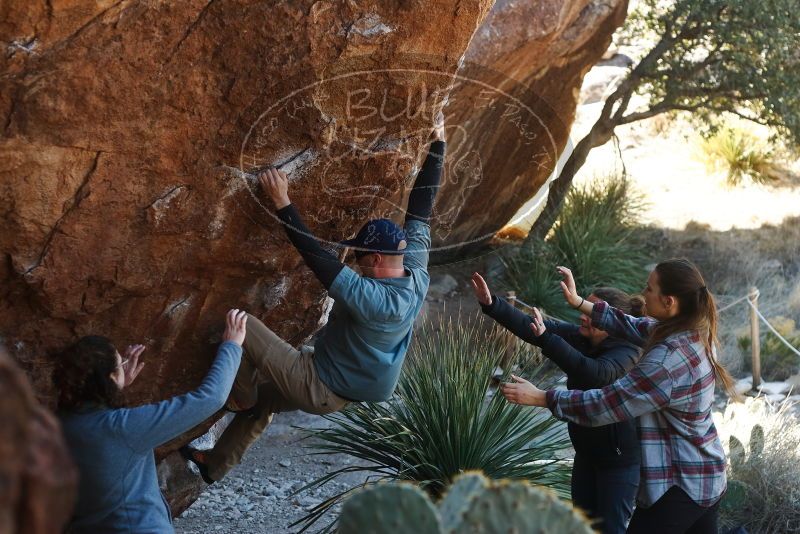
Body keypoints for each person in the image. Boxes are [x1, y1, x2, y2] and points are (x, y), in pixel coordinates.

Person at [182, 116, 447, 483]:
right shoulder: (414, 266)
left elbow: (317, 260)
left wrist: (283, 203)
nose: (356, 264)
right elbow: (421, 207)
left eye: (359, 259)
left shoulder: (376, 301)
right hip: (342, 383)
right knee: (265, 403)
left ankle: (238, 395)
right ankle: (214, 465)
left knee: (239, 322)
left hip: (319, 385)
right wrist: (438, 147)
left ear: (374, 260)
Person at [502, 260, 738, 534]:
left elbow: (606, 404)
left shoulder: (666, 363)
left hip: (681, 485)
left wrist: (543, 398)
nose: (643, 292)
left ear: (669, 302)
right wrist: (580, 303)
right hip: (706, 474)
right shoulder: (692, 331)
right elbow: (632, 325)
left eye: (650, 288)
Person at [471, 272, 643, 534]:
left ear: (613, 321)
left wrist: (546, 340)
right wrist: (492, 304)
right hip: (586, 456)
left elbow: (595, 373)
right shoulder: (583, 336)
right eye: (586, 308)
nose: (583, 316)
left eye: (592, 314)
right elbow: (532, 326)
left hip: (618, 463)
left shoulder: (627, 351)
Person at [57, 309, 247, 533]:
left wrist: (116, 385)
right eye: (120, 363)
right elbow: (210, 398)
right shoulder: (124, 429)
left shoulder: (57, 428)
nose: (125, 364)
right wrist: (232, 346)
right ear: (108, 378)